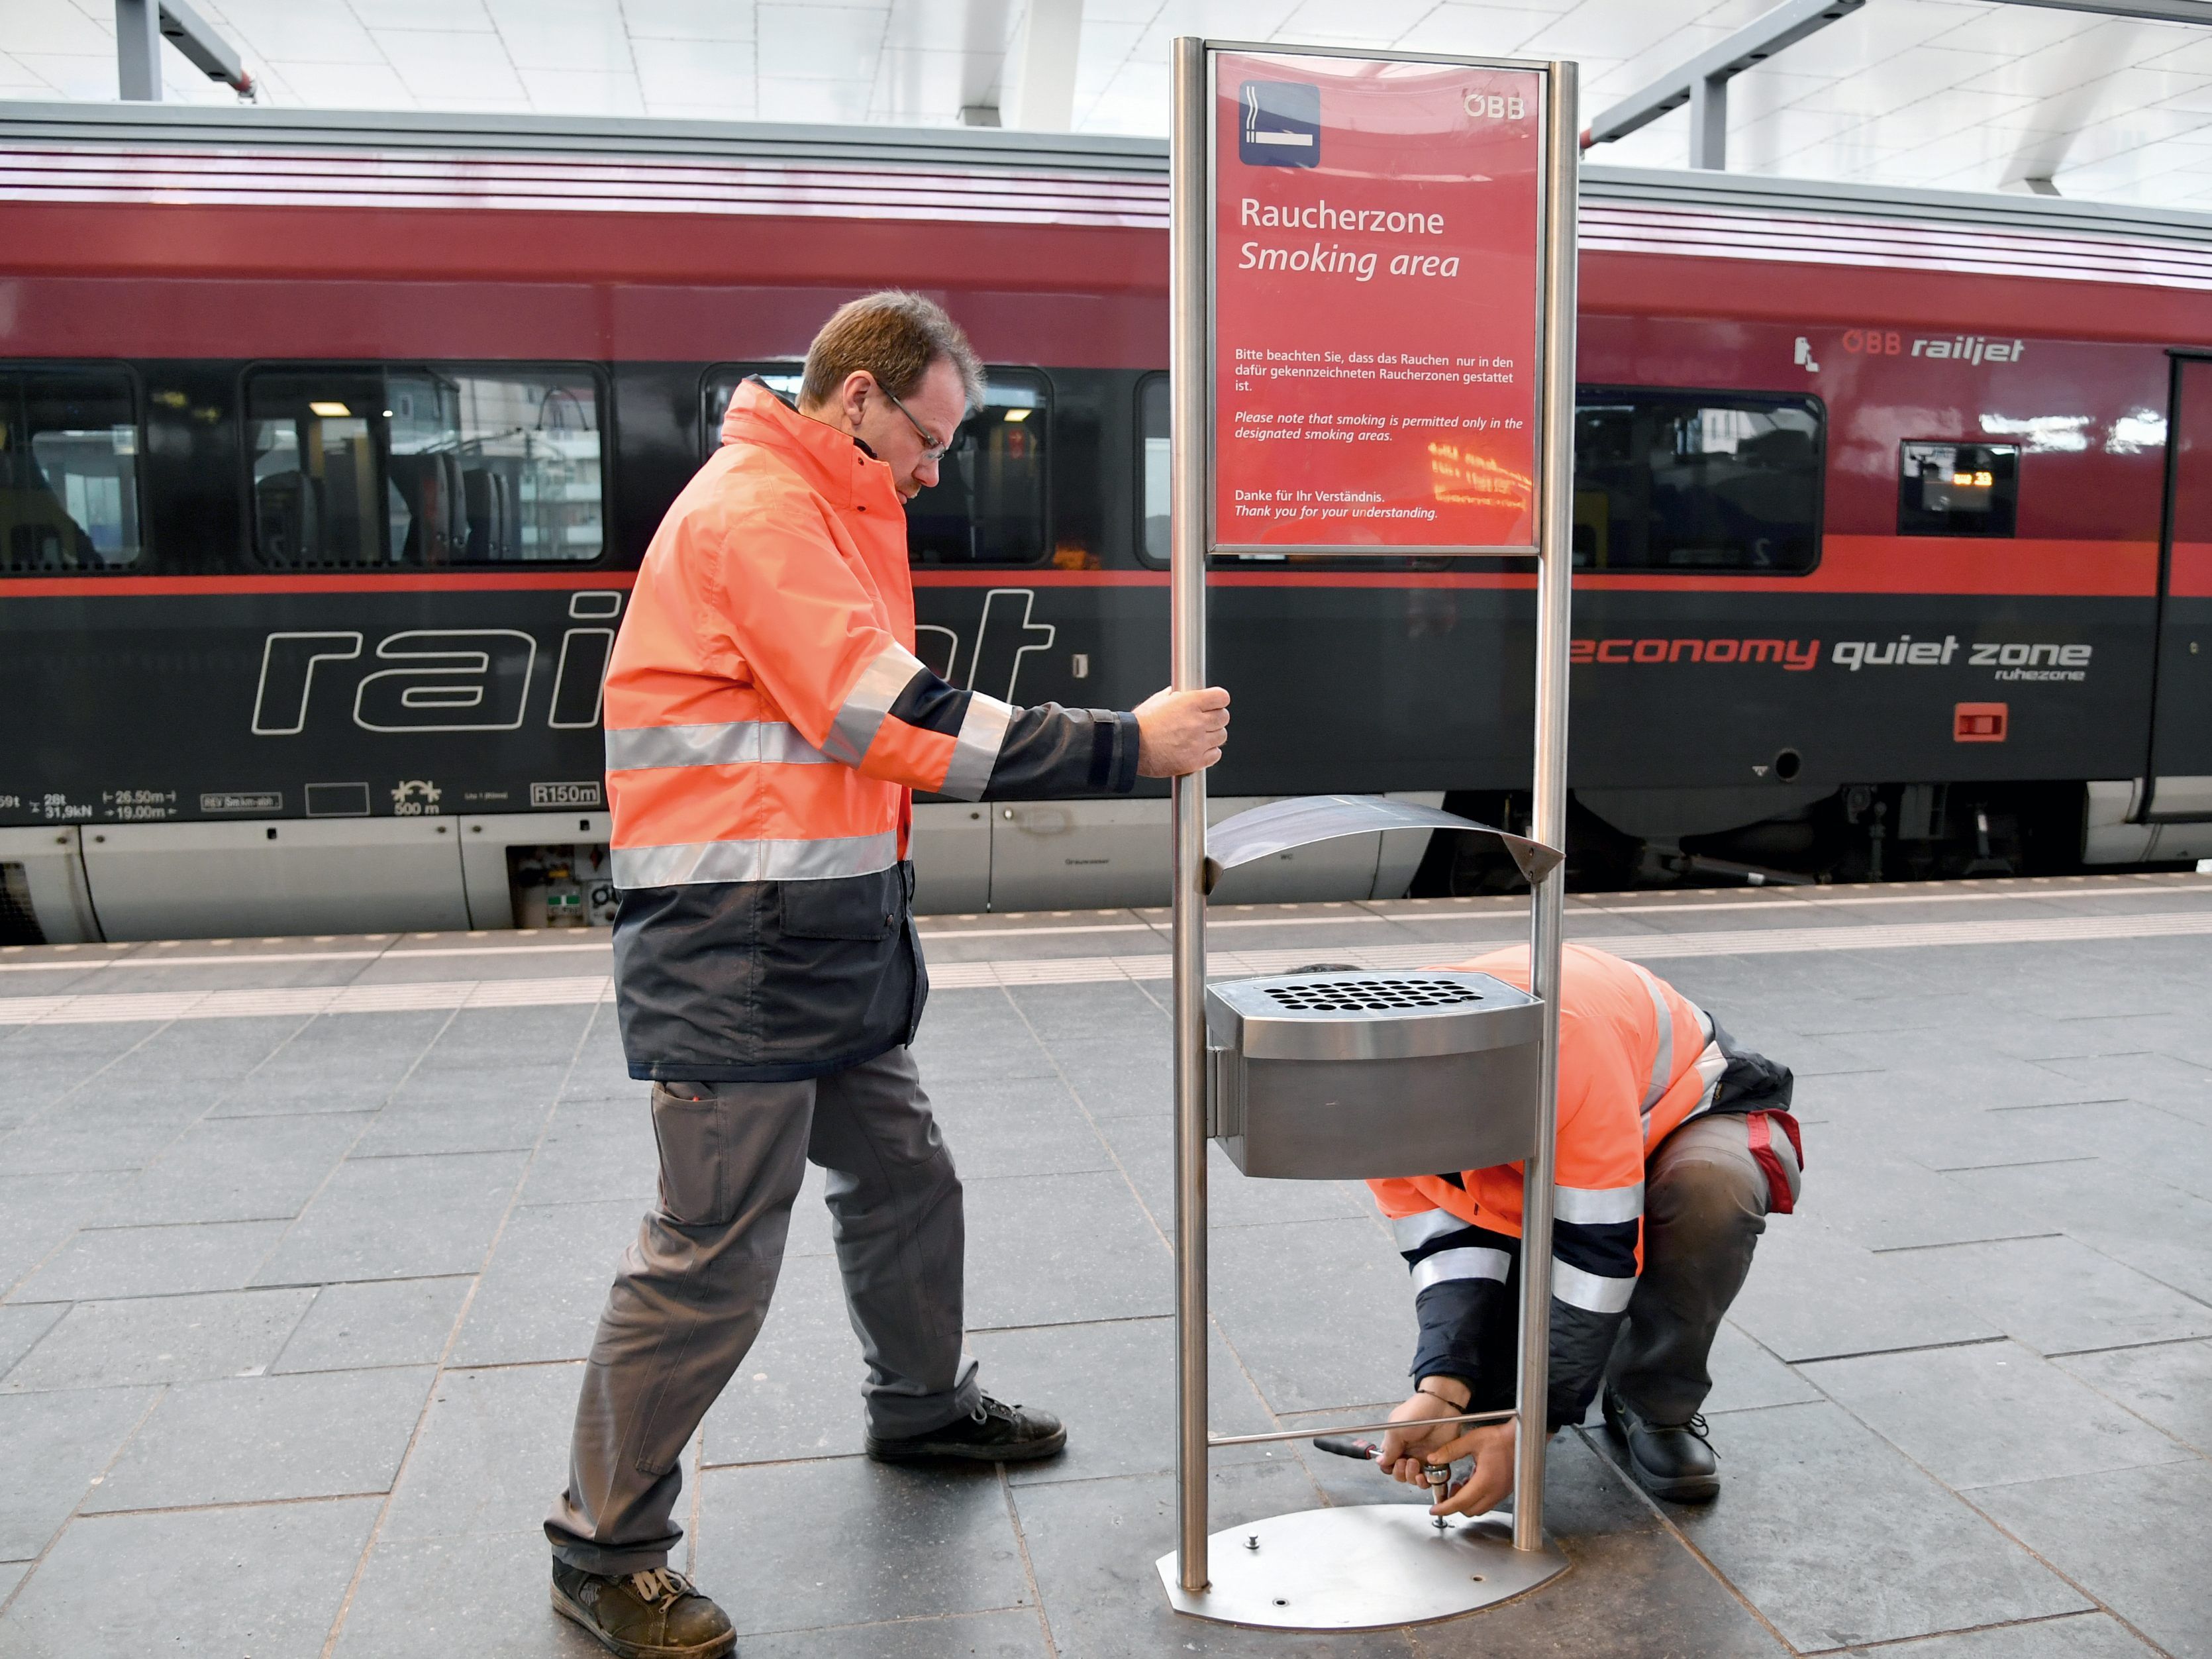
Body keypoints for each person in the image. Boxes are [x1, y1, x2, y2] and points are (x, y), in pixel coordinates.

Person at [546, 291, 1230, 1659]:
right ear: (856, 398)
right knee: (711, 1253)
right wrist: (1121, 744)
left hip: (822, 929)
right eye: (927, 439)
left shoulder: (837, 512)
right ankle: (604, 1547)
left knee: (906, 1176)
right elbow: (886, 714)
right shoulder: (759, 511)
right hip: (734, 940)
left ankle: (919, 1405)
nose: (934, 469)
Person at [1370, 942, 1801, 1517]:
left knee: (1708, 1192)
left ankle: (1655, 1400)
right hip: (1556, 1133)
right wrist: (1443, 1387)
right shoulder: (1366, 1099)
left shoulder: (1560, 1049)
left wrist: (1535, 1426)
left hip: (1689, 1107)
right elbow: (1449, 1249)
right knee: (1495, 1392)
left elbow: (1595, 1253)